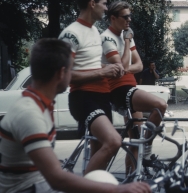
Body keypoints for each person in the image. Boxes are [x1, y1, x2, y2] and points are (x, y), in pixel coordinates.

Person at [0, 39, 150, 193]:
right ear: (61, 73)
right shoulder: (30, 114)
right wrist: (118, 189)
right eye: (72, 70)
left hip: (38, 184)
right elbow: (57, 179)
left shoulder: (38, 104)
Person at [58, 0, 124, 174]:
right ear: (92, 4)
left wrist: (108, 68)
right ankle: (83, 186)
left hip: (102, 97)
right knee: (113, 141)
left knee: (100, 152)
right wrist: (103, 73)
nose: (106, 7)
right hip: (83, 98)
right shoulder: (71, 34)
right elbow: (66, 74)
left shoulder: (95, 31)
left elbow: (90, 65)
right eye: (104, 3)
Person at [101, 1, 167, 168]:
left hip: (130, 87)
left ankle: (130, 179)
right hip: (118, 89)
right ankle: (147, 147)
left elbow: (139, 65)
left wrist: (125, 68)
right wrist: (128, 42)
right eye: (125, 17)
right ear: (113, 18)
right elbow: (123, 66)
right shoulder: (107, 38)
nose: (129, 20)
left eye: (130, 16)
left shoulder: (126, 35)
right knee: (160, 105)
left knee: (135, 141)